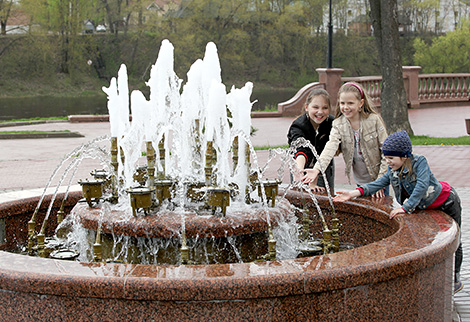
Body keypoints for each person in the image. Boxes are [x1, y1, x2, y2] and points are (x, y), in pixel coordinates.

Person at [333, 130, 464, 294]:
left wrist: (405, 208)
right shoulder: (393, 170)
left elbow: (421, 186)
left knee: (454, 240)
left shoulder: (419, 162)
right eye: (386, 158)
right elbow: (378, 183)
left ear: (404, 156)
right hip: (426, 207)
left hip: (447, 201)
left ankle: (455, 278)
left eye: (391, 158)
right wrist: (353, 193)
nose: (387, 162)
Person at [302, 82, 388, 197]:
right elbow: (330, 148)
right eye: (342, 103)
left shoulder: (374, 120)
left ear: (361, 103)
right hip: (360, 181)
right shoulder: (338, 124)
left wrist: (379, 183)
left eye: (350, 103)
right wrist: (316, 169)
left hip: (379, 180)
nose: (345, 107)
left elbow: (387, 152)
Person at [287, 88, 335, 192]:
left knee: (326, 194)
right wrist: (300, 172)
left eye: (325, 108)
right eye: (315, 107)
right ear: (306, 107)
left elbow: (325, 152)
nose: (320, 112)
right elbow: (300, 149)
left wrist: (313, 182)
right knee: (299, 194)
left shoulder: (332, 124)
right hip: (300, 164)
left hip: (323, 166)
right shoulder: (298, 126)